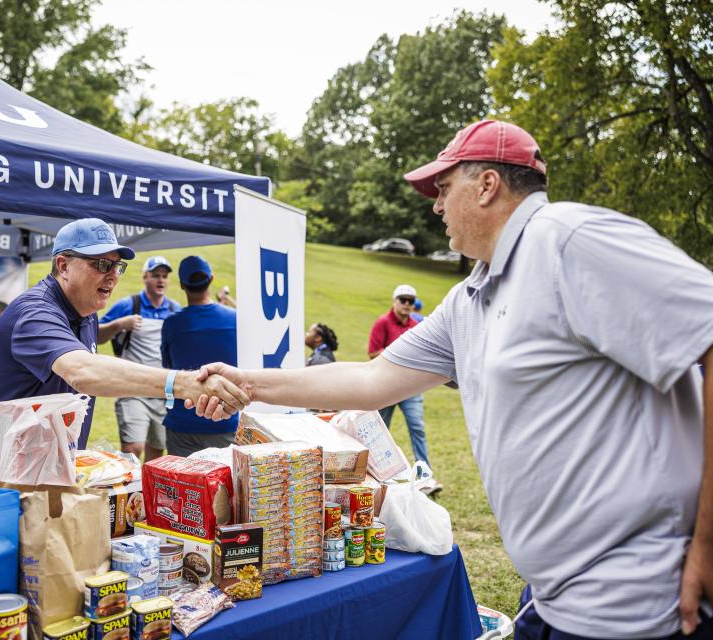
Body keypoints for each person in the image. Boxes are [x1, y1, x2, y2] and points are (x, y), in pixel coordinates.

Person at [189, 120, 713, 639]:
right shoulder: (471, 296)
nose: (436, 207)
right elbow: (373, 378)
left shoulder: (570, 241)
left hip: (644, 602)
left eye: (443, 188)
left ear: (487, 185)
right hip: (555, 598)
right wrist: (247, 384)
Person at [0, 219, 247, 481]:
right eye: (101, 264)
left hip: (44, 474)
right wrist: (181, 383)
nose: (113, 276)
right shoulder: (34, 311)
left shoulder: (87, 311)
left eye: (117, 266)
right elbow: (82, 371)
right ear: (63, 266)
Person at [97, 256, 181, 461]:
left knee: (157, 452)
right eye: (155, 276)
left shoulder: (174, 310)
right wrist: (119, 325)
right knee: (133, 447)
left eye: (164, 276)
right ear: (145, 277)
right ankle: (127, 491)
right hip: (132, 389)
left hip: (164, 391)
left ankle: (145, 493)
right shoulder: (129, 305)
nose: (161, 280)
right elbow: (96, 335)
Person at [160, 256, 238, 457]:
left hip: (182, 424)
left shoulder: (171, 324)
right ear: (211, 279)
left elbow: (168, 367)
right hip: (225, 420)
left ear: (181, 285)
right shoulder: (235, 319)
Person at [368, 284, 440, 493]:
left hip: (411, 387)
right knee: (379, 430)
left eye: (411, 301)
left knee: (417, 428)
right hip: (387, 387)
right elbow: (373, 353)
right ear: (395, 301)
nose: (407, 304)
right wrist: (400, 355)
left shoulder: (417, 324)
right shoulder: (382, 323)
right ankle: (375, 476)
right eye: (403, 300)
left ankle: (425, 477)